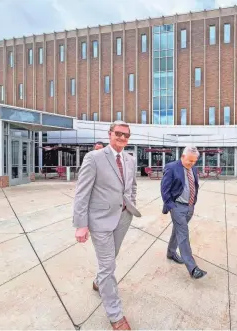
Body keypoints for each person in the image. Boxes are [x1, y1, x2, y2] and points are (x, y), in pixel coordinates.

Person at [73, 120, 141, 330]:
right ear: (110, 133)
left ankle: (99, 281)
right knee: (108, 266)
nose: (122, 138)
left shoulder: (130, 159)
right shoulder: (94, 157)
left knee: (111, 258)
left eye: (126, 135)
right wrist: (81, 224)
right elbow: (82, 192)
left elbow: (132, 187)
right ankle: (115, 315)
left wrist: (131, 205)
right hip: (100, 220)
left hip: (123, 218)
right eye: (118, 133)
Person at [160, 146, 207, 279]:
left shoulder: (194, 168)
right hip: (177, 207)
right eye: (189, 161)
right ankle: (193, 268)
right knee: (183, 234)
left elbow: (194, 185)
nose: (191, 164)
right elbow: (164, 189)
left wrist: (193, 203)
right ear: (182, 156)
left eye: (194, 161)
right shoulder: (171, 167)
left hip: (190, 206)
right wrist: (171, 206)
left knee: (178, 230)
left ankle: (171, 252)